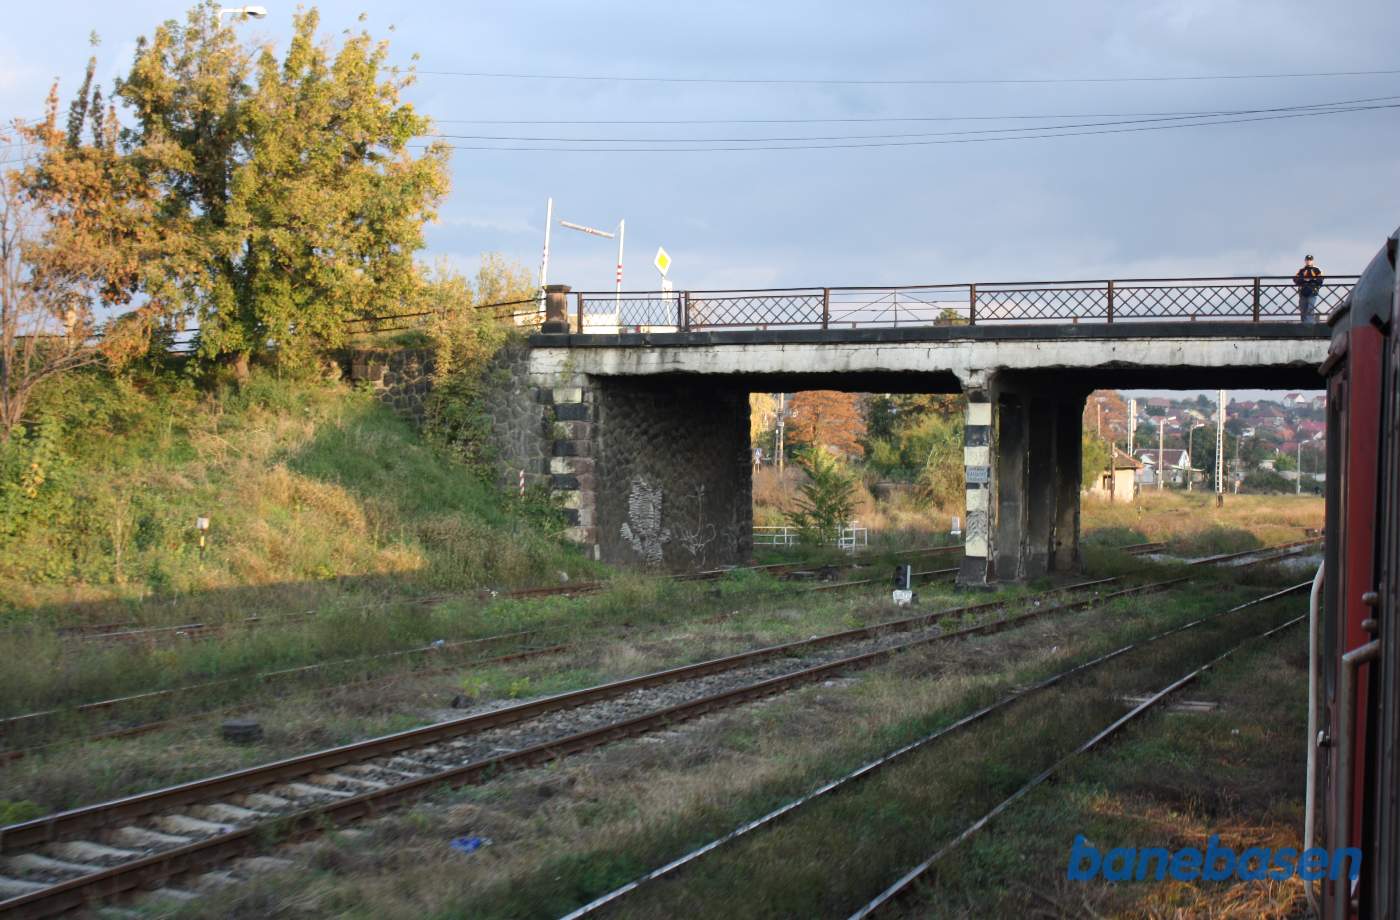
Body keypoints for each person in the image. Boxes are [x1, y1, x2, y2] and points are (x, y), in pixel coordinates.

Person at [1293, 254, 1324, 324]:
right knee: (1303, 308)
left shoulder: (1317, 270)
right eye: (1307, 260)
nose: (1308, 261)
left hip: (1312, 292)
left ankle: (1309, 325)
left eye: (1310, 260)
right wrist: (1306, 280)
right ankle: (1303, 324)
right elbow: (1295, 279)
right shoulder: (1301, 270)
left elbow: (1320, 280)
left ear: (1313, 261)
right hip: (1303, 292)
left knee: (1310, 308)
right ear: (1305, 261)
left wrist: (1309, 280)